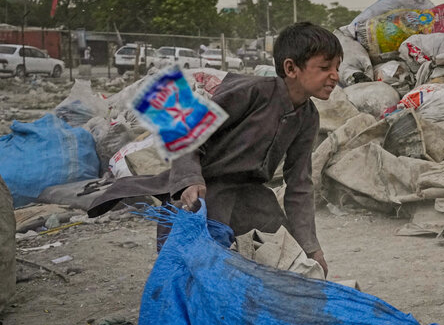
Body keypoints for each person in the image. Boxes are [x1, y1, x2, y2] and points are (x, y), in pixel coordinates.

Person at [89, 22, 342, 275]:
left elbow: (299, 185)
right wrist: (189, 179)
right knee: (196, 264)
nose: (335, 76)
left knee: (282, 254)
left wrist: (311, 248)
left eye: (337, 68)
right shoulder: (252, 91)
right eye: (325, 67)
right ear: (291, 68)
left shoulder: (308, 117)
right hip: (206, 187)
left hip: (251, 196)